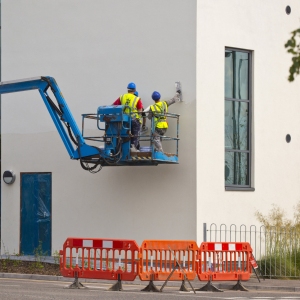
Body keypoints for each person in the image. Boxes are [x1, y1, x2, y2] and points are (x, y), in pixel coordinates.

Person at [113, 82, 143, 152]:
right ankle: (133, 146)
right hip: (133, 120)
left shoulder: (122, 97)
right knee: (136, 132)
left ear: (127, 90)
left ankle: (120, 147)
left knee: (123, 133)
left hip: (123, 120)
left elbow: (114, 105)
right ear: (135, 90)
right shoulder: (137, 99)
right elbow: (140, 111)